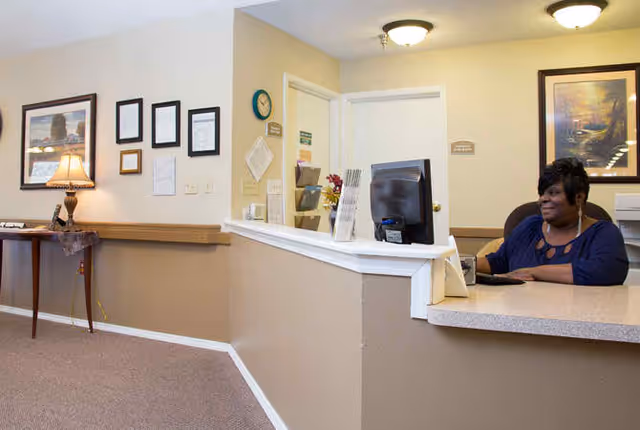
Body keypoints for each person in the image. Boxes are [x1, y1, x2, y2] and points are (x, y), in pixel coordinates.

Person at [476, 158, 629, 286]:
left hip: (577, 316)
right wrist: (459, 264)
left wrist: (533, 272)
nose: (543, 199)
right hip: (522, 313)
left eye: (553, 193)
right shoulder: (529, 226)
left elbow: (606, 271)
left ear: (579, 198)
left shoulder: (603, 232)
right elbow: (498, 261)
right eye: (542, 193)